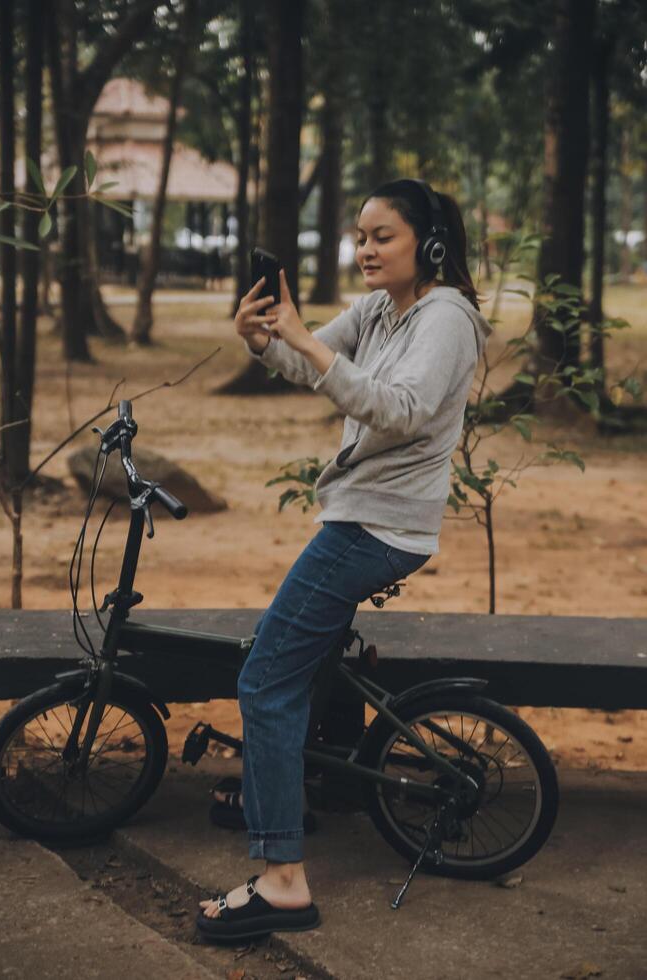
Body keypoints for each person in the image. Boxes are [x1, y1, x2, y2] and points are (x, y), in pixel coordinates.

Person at [197, 178, 493, 943]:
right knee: (297, 667)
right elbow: (317, 365)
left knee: (264, 678)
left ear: (428, 244)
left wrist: (299, 343)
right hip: (361, 517)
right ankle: (294, 792)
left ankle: (282, 881)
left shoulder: (445, 319)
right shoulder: (381, 310)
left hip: (377, 528)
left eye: (382, 236)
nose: (364, 250)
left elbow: (396, 409)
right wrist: (265, 340)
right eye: (359, 236)